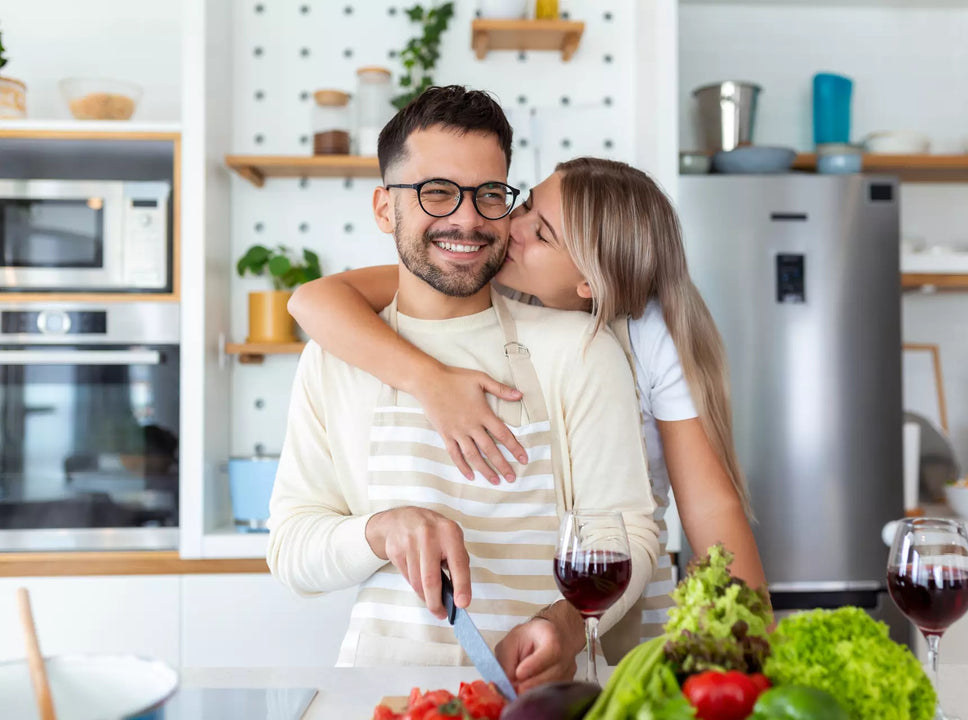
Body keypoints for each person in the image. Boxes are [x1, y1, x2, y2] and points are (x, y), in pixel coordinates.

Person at [267, 86, 659, 689]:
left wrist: (567, 624)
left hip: (547, 695)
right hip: (387, 693)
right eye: (437, 192)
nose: (467, 218)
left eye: (490, 194)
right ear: (383, 209)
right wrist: (380, 530)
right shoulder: (336, 356)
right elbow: (291, 549)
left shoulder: (577, 350)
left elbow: (629, 534)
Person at [288, 155, 770, 643]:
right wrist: (428, 380)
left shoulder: (647, 336)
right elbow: (312, 300)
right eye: (525, 207)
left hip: (616, 596)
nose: (510, 228)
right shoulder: (481, 278)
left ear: (587, 282)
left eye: (542, 235)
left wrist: (753, 653)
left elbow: (710, 509)